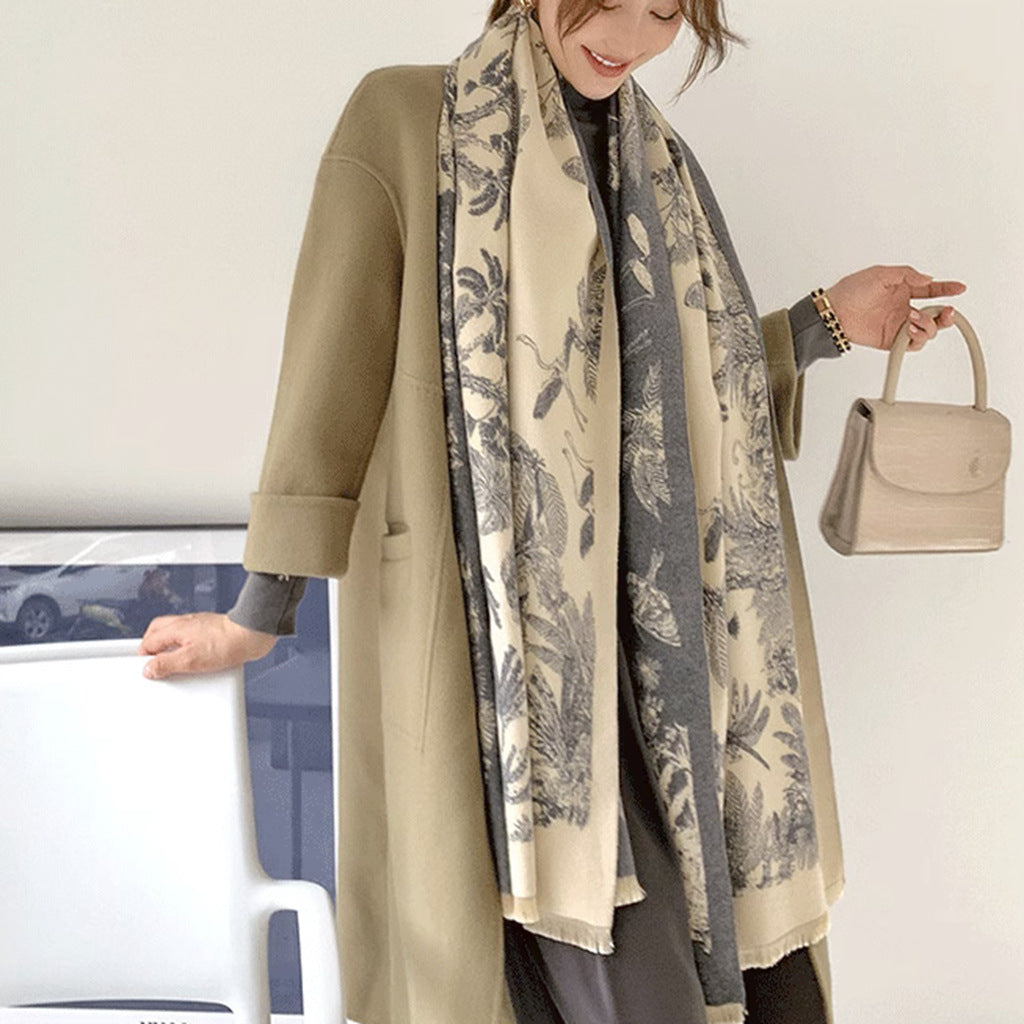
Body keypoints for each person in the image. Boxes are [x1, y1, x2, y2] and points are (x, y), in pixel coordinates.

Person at [139, 1, 965, 1022]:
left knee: (762, 991)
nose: (631, 35)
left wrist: (825, 322)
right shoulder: (404, 121)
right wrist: (258, 614)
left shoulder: (662, 167)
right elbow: (329, 378)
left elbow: (674, 394)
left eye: (664, 11)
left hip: (671, 658)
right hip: (504, 665)